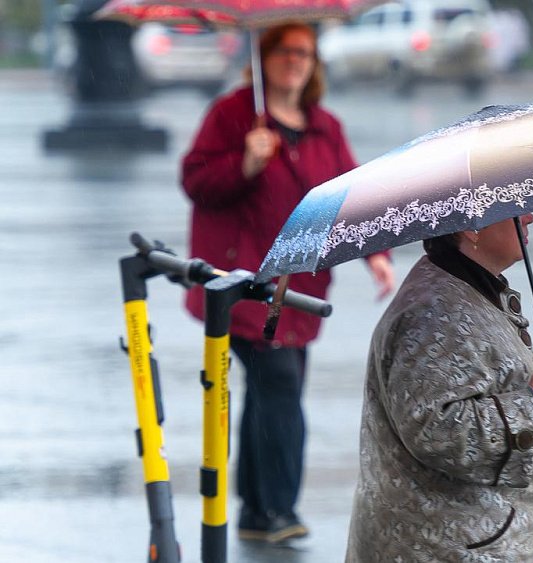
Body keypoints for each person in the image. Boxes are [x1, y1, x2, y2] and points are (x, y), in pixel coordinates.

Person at [180, 22, 395, 543]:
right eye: (284, 50)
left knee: (271, 388)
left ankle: (257, 510)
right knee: (278, 383)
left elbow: (352, 198)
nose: (294, 60)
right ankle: (278, 509)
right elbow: (197, 182)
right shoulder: (233, 115)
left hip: (299, 292)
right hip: (242, 284)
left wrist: (378, 258)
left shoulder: (325, 126)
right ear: (263, 56)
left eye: (304, 52)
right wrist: (245, 163)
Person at [345, 215, 533, 561]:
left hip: (471, 538)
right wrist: (531, 401)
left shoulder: (463, 286)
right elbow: (434, 430)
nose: (529, 216)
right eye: (514, 209)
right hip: (448, 546)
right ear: (472, 228)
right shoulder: (433, 312)